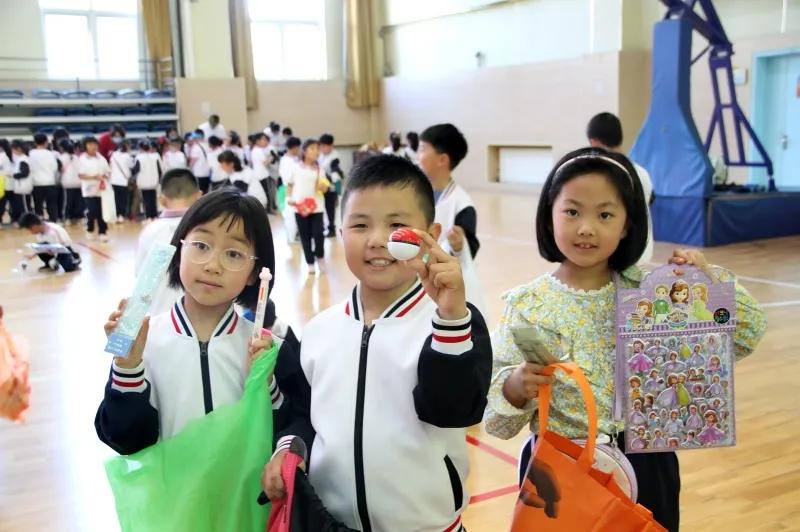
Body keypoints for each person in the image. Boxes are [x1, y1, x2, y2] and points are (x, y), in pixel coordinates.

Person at [483, 147, 767, 532]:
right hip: (562, 466)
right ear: (549, 216)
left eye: (604, 214)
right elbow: (497, 422)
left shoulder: (655, 294)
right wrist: (516, 387)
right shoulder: (528, 305)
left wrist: (707, 281)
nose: (586, 227)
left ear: (627, 224)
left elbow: (746, 334)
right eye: (572, 211)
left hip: (649, 463)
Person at [261, 154, 492, 532]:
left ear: (429, 233)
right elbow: (305, 415)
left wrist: (450, 320)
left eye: (397, 225)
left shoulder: (455, 323)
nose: (376, 240)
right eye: (360, 224)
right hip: (332, 524)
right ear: (340, 230)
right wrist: (291, 448)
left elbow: (456, 409)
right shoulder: (321, 331)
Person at [95, 188, 281, 455]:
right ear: (179, 249)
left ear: (255, 273)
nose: (213, 265)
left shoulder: (265, 349)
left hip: (245, 494)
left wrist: (266, 383)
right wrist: (126, 367)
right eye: (201, 246)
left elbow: (284, 429)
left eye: (234, 254)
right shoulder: (145, 343)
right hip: (169, 493)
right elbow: (126, 440)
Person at [418, 123, 486, 315]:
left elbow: (469, 252)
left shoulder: (462, 204)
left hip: (442, 285)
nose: (417, 156)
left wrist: (459, 246)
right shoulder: (416, 196)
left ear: (442, 159)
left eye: (422, 149)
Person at [587, 112, 654, 264]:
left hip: (618, 255)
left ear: (594, 142)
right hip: (643, 251)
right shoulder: (642, 172)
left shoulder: (600, 174)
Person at [134, 168, 201, 316]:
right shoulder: (206, 229)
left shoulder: (150, 232)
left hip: (158, 320)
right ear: (199, 196)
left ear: (162, 200)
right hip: (201, 322)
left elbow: (141, 277)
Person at [286, 139, 328, 275]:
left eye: (317, 148)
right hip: (300, 207)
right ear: (304, 151)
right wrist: (289, 199)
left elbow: (324, 188)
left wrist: (324, 187)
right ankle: (310, 262)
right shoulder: (295, 167)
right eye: (312, 148)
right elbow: (290, 185)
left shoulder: (320, 169)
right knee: (305, 236)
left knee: (318, 234)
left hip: (317, 206)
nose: (316, 151)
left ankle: (320, 257)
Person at [77, 136, 110, 241]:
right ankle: (90, 229)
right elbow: (81, 175)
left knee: (102, 211)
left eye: (95, 144)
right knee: (92, 210)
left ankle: (103, 231)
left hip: (101, 189)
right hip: (88, 190)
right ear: (85, 146)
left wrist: (103, 177)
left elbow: (108, 172)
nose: (93, 146)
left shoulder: (101, 158)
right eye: (90, 144)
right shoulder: (82, 159)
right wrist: (94, 177)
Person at [28, 133, 60, 223]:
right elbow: (54, 167)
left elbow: (29, 167)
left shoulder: (31, 153)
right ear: (46, 142)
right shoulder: (50, 154)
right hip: (50, 182)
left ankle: (39, 220)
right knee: (52, 204)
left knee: (38, 204)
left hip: (36, 183)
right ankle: (53, 220)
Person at [318, 133, 344, 237]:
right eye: (321, 146)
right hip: (321, 186)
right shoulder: (321, 155)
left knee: (330, 208)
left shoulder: (335, 157)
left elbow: (335, 172)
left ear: (331, 145)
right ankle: (322, 227)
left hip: (331, 186)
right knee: (321, 207)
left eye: (325, 146)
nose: (323, 148)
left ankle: (331, 229)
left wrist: (337, 189)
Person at [133, 141, 163, 222]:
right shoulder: (155, 156)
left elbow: (136, 170)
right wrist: (159, 180)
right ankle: (154, 216)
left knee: (146, 200)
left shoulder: (139, 157)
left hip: (143, 182)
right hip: (154, 181)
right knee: (153, 199)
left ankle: (149, 217)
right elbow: (160, 169)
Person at [57, 139, 84, 226]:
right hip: (78, 182)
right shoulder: (76, 157)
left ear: (61, 148)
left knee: (67, 201)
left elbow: (59, 170)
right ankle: (79, 217)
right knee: (78, 201)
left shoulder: (61, 158)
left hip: (67, 182)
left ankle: (67, 217)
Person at [109, 140, 135, 224]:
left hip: (114, 180)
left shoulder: (113, 154)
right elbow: (132, 165)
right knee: (123, 200)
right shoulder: (127, 156)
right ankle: (121, 215)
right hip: (123, 181)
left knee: (116, 199)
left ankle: (117, 215)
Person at [0, 139, 14, 225]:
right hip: (12, 184)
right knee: (13, 203)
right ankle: (14, 219)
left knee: (1, 204)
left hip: (2, 183)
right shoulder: (12, 155)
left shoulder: (2, 155)